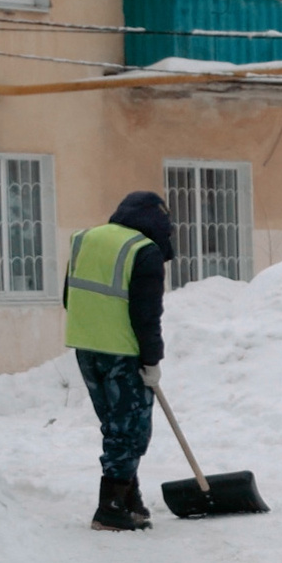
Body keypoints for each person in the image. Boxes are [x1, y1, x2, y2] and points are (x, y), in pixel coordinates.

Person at [61, 192, 175, 532]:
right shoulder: (144, 251)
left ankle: (129, 498)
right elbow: (146, 315)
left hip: (85, 346)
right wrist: (151, 360)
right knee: (131, 430)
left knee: (116, 426)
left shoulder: (86, 238)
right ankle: (109, 508)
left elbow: (69, 296)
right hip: (123, 351)